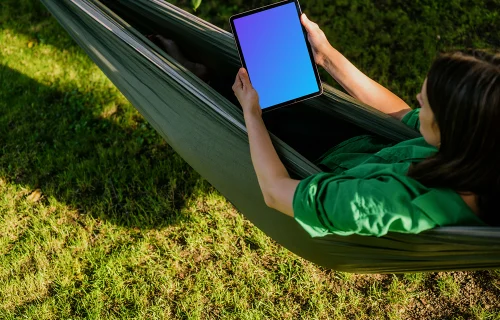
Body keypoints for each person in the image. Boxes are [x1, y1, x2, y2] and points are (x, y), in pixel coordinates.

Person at [231, 13, 500, 237]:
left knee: (232, 97)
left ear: (450, 131)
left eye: (425, 104)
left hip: (315, 167)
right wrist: (326, 56)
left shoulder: (379, 203)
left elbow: (275, 193)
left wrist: (252, 114)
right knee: (268, 81)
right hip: (359, 148)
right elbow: (402, 114)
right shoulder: (481, 147)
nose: (417, 102)